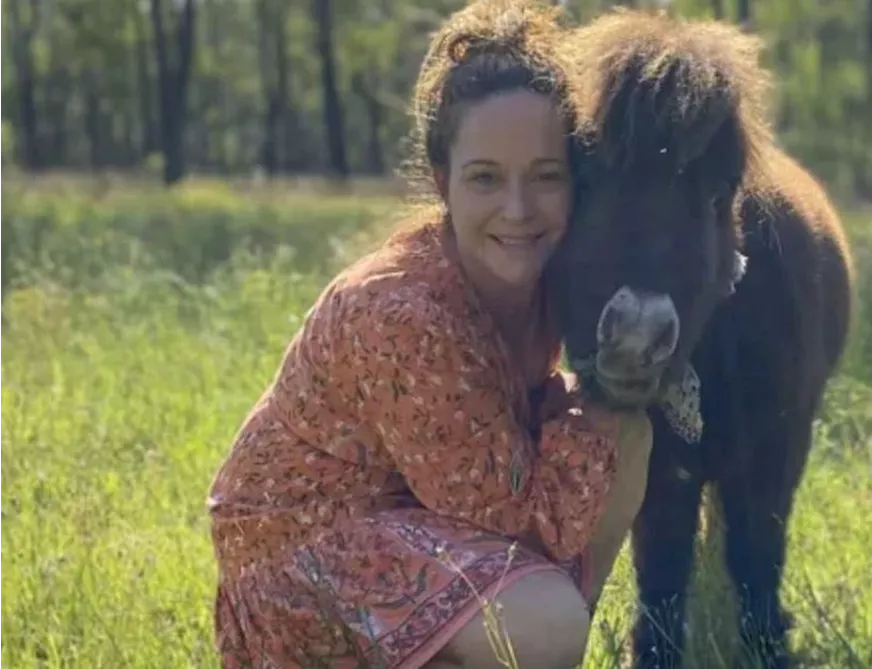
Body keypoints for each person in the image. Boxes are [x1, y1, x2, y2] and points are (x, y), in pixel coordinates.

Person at [205, 1, 653, 667]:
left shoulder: (550, 278)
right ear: (444, 182)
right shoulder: (404, 315)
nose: (518, 209)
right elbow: (527, 521)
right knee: (547, 617)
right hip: (303, 559)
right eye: (485, 179)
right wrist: (607, 395)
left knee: (628, 437)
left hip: (418, 524)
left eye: (546, 177)